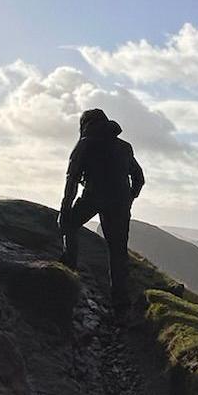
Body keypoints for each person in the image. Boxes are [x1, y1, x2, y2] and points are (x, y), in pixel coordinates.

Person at [59, 107, 145, 312]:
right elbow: (139, 178)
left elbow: (71, 180)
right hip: (120, 202)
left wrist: (65, 208)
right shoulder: (125, 147)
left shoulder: (84, 145)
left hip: (93, 196)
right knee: (118, 251)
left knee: (69, 225)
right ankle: (120, 301)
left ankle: (69, 268)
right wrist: (129, 198)